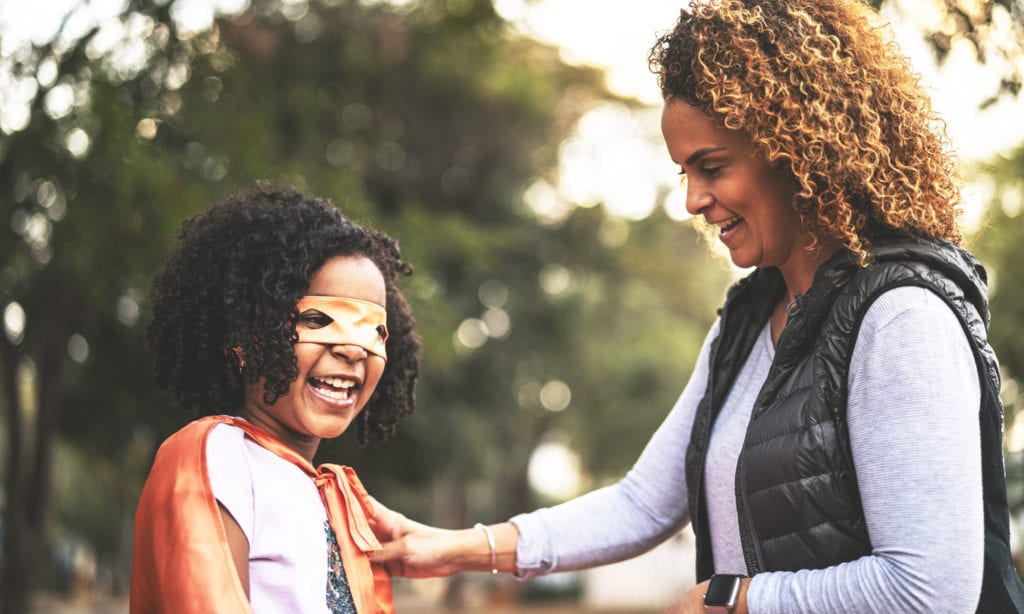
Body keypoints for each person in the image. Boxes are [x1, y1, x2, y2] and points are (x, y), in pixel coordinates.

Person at [368, 1, 1024, 612]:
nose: (693, 200)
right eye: (685, 172)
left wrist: (734, 599)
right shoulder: (748, 321)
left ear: (800, 153)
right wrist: (445, 547)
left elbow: (929, 590)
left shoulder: (901, 316)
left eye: (712, 166)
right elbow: (640, 505)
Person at [130, 185, 420, 613]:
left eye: (372, 331)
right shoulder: (216, 455)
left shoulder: (331, 497)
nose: (354, 350)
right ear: (247, 336)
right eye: (318, 320)